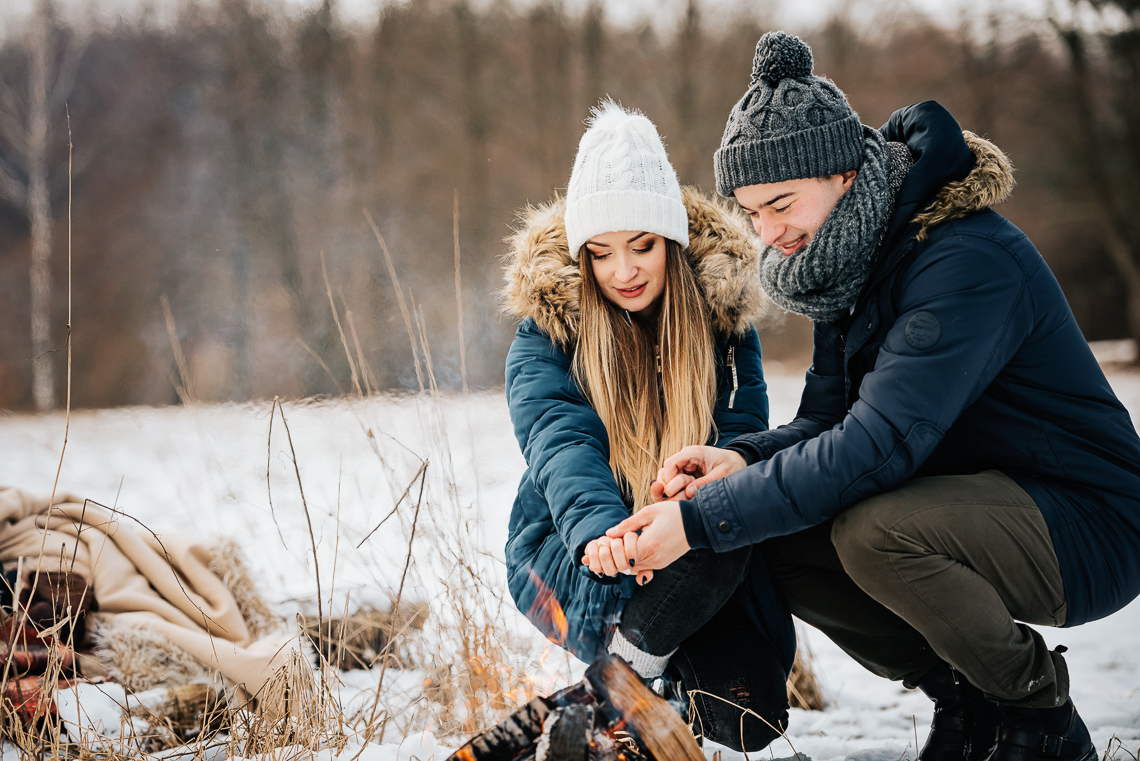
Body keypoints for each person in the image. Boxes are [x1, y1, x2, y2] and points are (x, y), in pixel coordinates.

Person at [603, 32, 1140, 761]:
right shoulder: (849, 262)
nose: (769, 234)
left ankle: (1039, 713)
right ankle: (966, 694)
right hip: (976, 499)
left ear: (845, 174)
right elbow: (829, 421)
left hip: (1088, 520)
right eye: (752, 212)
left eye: (781, 204)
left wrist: (699, 523)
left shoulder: (962, 261)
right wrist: (742, 460)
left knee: (875, 531)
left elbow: (875, 447)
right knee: (779, 530)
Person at [501, 100, 795, 751]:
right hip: (582, 557)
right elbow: (559, 441)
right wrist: (602, 533)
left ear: (672, 242)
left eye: (642, 246)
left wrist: (687, 509)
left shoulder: (722, 327)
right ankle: (629, 682)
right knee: (709, 530)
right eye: (601, 253)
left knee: (749, 718)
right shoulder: (548, 332)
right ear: (581, 256)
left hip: (696, 557)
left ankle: (620, 692)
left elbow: (743, 436)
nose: (624, 270)